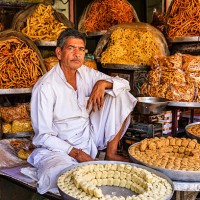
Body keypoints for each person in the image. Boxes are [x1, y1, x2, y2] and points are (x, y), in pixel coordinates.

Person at [28, 28, 137, 194]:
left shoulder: (86, 73)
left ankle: (111, 153)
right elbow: (43, 135)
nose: (77, 54)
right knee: (60, 176)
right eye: (71, 48)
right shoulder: (45, 87)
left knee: (121, 94)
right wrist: (76, 153)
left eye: (81, 49)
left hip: (89, 137)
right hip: (60, 147)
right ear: (59, 53)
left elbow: (124, 84)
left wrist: (102, 84)